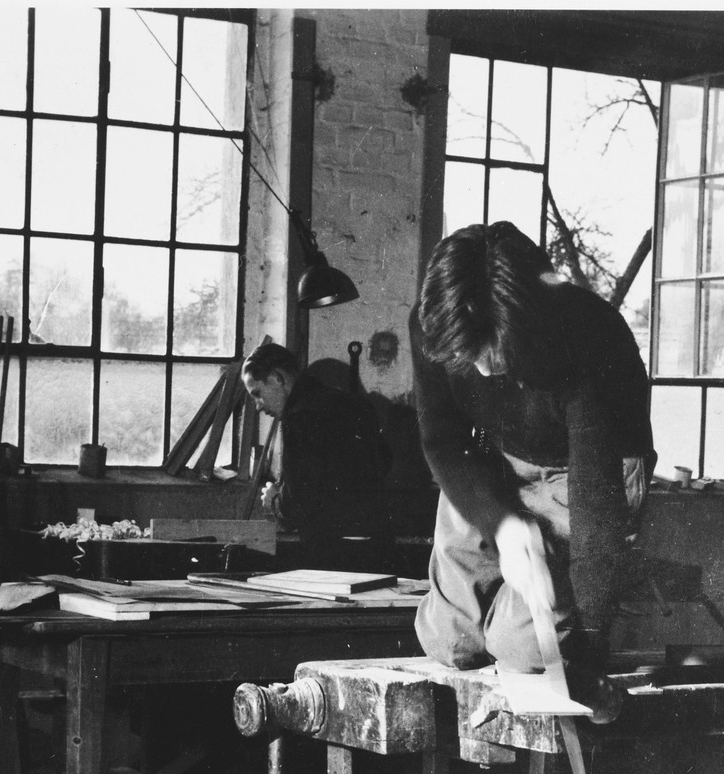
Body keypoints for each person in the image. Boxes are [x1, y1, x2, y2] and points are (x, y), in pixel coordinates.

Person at [409, 221, 655, 721]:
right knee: (448, 639)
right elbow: (443, 440)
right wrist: (501, 522)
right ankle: (510, 608)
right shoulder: (438, 322)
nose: (479, 372)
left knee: (521, 648)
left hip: (581, 464)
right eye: (465, 356)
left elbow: (596, 510)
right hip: (495, 453)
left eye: (490, 353)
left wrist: (585, 653)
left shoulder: (584, 335)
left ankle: (559, 623)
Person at [241, 342, 394, 566]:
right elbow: (385, 462)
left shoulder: (299, 417)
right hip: (377, 546)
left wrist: (274, 499)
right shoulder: (358, 404)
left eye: (257, 393)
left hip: (333, 552)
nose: (257, 406)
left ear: (277, 378)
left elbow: (295, 507)